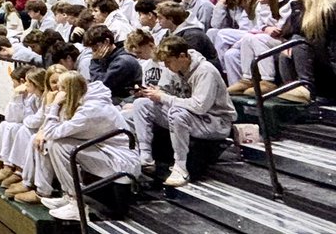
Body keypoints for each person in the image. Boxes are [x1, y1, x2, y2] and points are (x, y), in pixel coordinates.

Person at [132, 36, 236, 187]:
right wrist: (152, 92)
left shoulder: (205, 71)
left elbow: (199, 106)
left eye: (168, 62)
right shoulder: (172, 69)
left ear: (182, 56)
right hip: (191, 117)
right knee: (142, 104)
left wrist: (163, 97)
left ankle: (181, 167)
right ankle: (146, 157)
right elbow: (165, 91)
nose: (166, 66)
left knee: (177, 113)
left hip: (216, 122)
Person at [38, 72, 141, 222]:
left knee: (59, 145)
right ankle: (70, 196)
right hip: (104, 150)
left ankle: (76, 204)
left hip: (120, 161)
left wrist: (53, 106)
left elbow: (51, 132)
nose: (57, 93)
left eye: (60, 89)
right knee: (58, 144)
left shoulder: (91, 110)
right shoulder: (85, 98)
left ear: (68, 91)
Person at [85, 26, 142, 102]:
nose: (93, 52)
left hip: (126, 101)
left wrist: (95, 62)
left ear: (106, 42)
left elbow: (100, 87)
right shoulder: (107, 57)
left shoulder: (123, 61)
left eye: (95, 47)